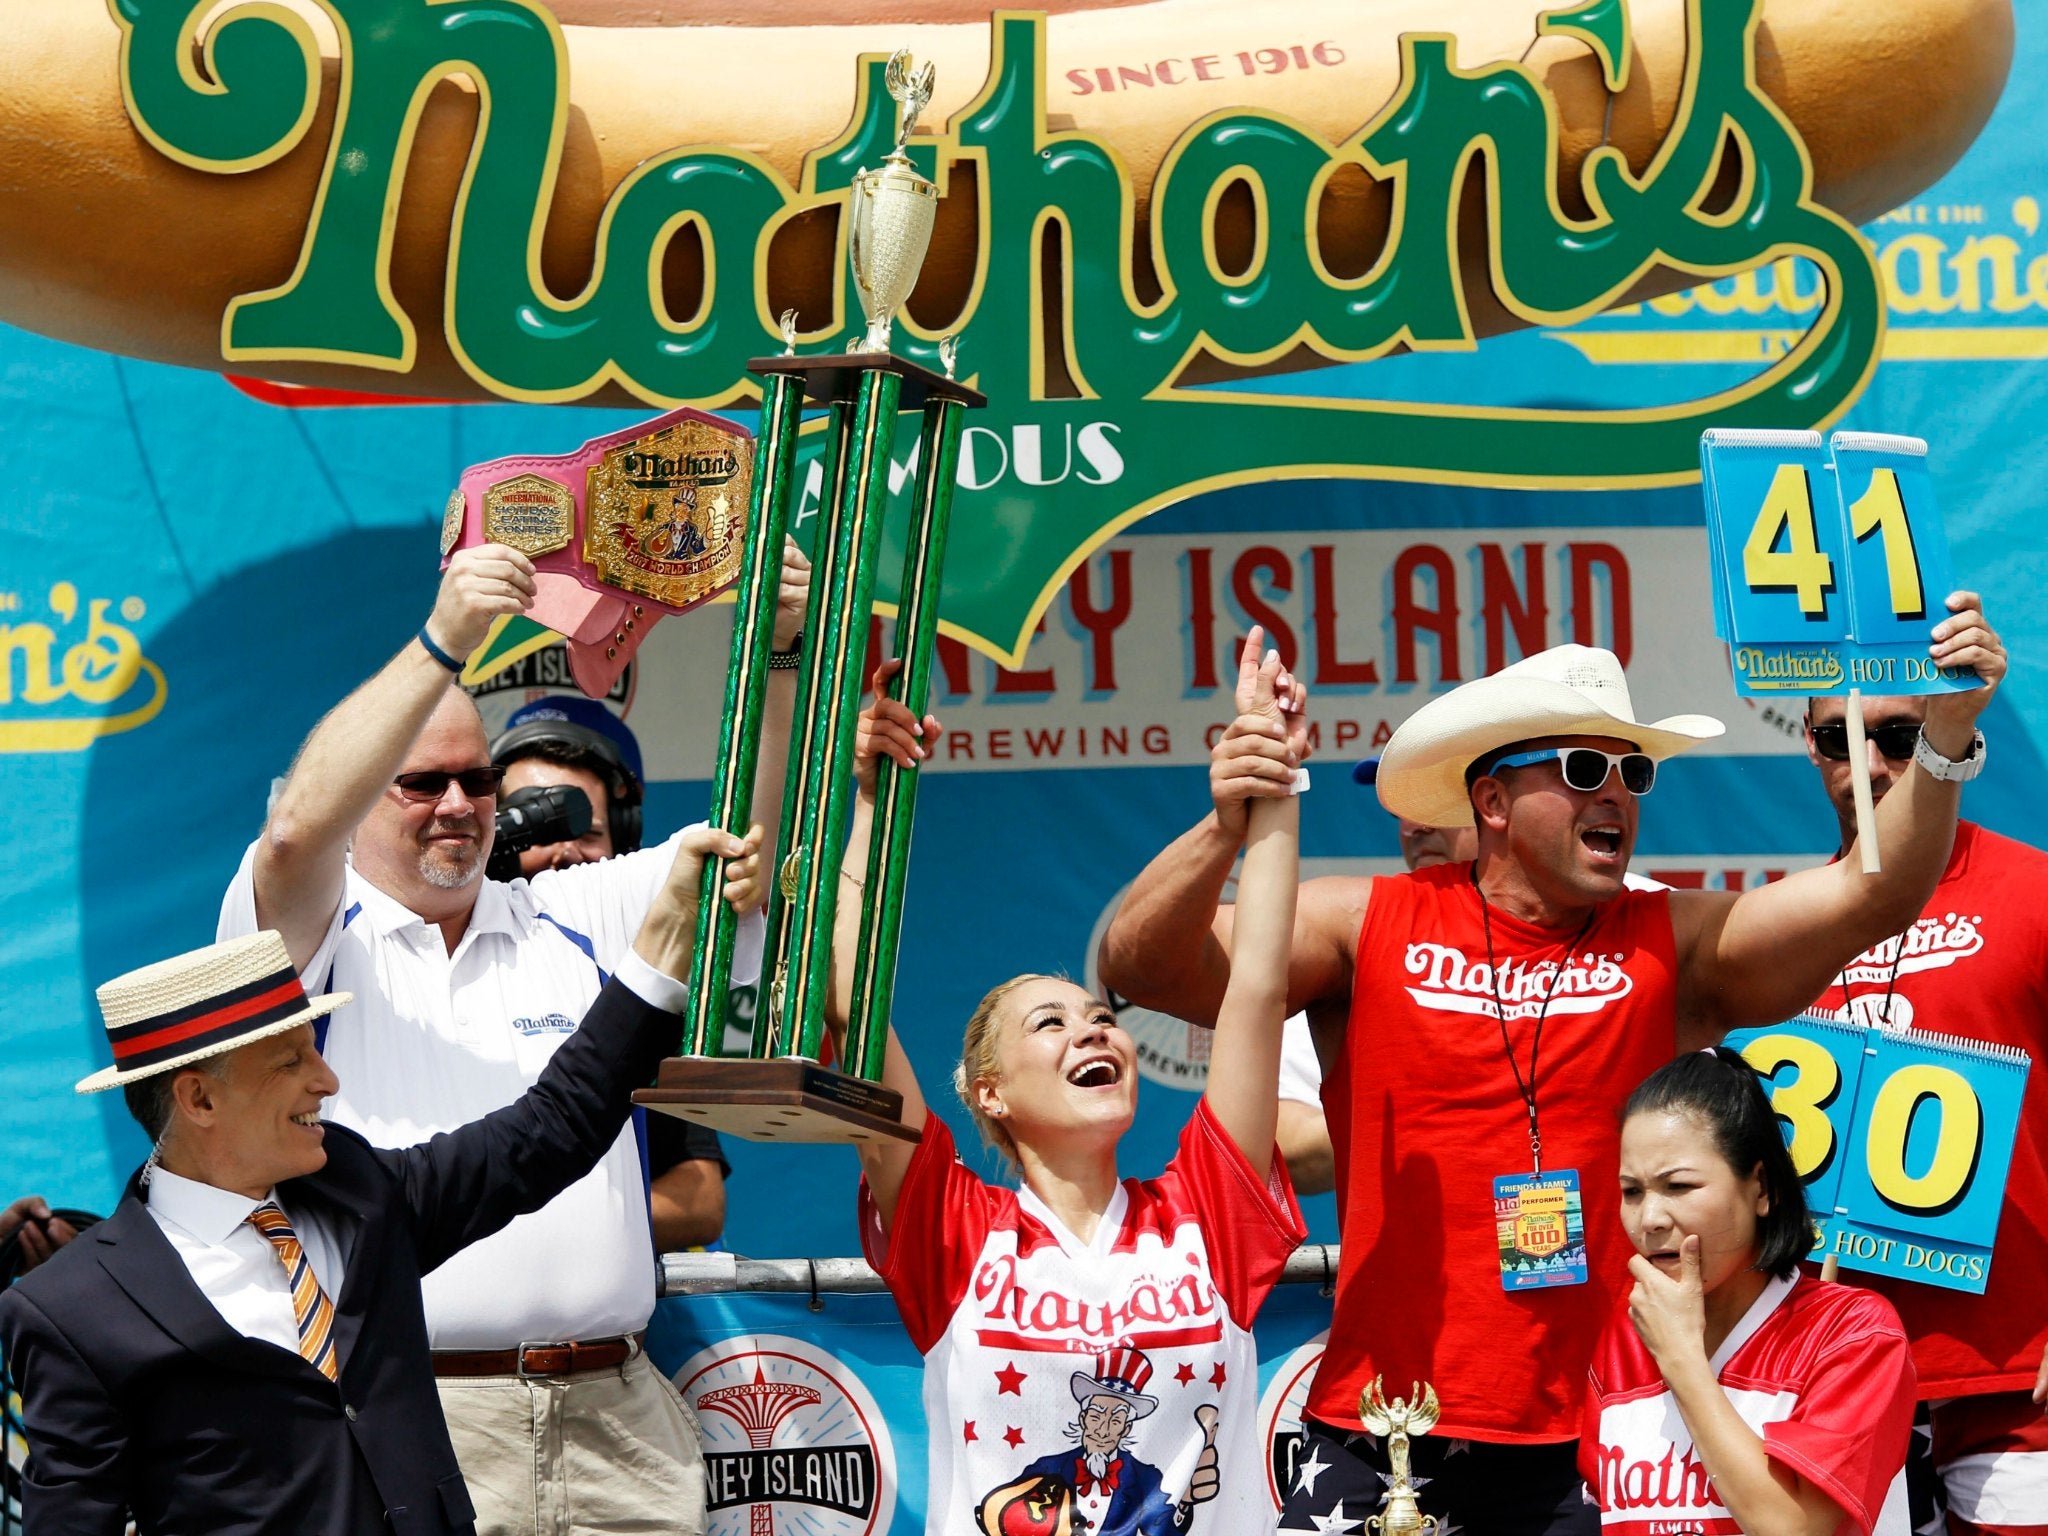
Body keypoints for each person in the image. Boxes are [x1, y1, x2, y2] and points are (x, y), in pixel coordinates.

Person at [1099, 601, 2003, 1535]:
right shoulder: (1364, 923)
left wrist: (1944, 737)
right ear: (1490, 800)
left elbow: (1879, 891)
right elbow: (1142, 966)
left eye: (1631, 771)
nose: (1615, 793)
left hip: (1610, 1434)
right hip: (1387, 1430)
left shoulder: (1676, 941)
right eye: (1581, 769)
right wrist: (1223, 826)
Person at [216, 538, 807, 1536]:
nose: (459, 805)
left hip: (619, 1413)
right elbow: (292, 837)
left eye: (477, 779)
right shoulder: (314, 941)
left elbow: (744, 838)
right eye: (419, 783)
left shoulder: (570, 910)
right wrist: (445, 638)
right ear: (364, 792)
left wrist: (787, 655)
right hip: (412, 1411)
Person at [1, 826, 759, 1535]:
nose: (326, 1081)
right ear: (199, 1098)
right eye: (291, 1061)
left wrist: (664, 943)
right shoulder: (71, 1311)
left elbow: (549, 1129)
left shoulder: (358, 1192)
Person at [841, 648, 1308, 1536]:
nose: (1093, 1030)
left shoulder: (1207, 1208)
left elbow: (1256, 989)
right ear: (991, 1096)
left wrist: (1275, 778)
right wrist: (865, 797)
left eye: (1098, 1016)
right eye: (1049, 1024)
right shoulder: (951, 1228)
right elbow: (852, 1000)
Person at [1800, 692, 2048, 1536]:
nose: (1868, 768)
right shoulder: (1773, 925)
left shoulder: (2037, 890)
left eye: (1899, 738)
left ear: (1955, 735)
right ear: (1807, 744)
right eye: (1839, 738)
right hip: (1829, 1388)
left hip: (2015, 1378)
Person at [1278, 761, 1665, 1195]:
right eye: (1400, 808)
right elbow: (1283, 1143)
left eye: (1437, 804)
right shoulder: (1363, 931)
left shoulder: (1650, 914)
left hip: (1630, 1255)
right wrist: (1437, 1124)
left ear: (1494, 800)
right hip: (1423, 1261)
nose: (1413, 826)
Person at [1583, 1048, 1916, 1536]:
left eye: (1677, 1186)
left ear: (1760, 1187)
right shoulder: (1625, 1336)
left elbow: (1795, 1529)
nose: (1649, 1218)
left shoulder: (1855, 1332)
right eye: (1632, 1191)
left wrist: (1682, 1363)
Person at [491, 695, 729, 1252]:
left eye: (585, 829)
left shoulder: (650, 990)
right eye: (537, 824)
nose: (565, 851)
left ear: (623, 839)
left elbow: (699, 1201)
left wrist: (510, 1230)